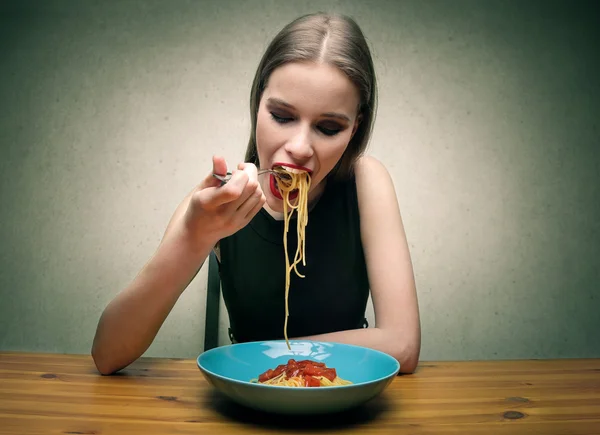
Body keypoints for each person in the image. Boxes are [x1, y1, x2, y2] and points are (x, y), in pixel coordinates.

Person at [92, 12, 421, 375]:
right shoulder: (216, 203)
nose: (299, 147)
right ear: (257, 105)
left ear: (354, 129)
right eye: (282, 116)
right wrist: (194, 238)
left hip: (344, 395)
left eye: (328, 127)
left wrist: (280, 359)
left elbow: (402, 345)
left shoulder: (365, 180)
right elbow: (107, 354)